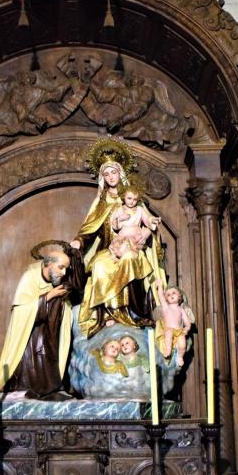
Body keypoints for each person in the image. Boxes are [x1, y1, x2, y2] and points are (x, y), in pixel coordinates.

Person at [72, 138, 161, 337]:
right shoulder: (101, 202)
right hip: (109, 249)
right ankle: (108, 315)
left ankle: (134, 314)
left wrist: (146, 233)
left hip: (132, 247)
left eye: (114, 172)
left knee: (129, 261)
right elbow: (90, 228)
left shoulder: (132, 198)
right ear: (102, 178)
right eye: (106, 174)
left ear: (120, 172)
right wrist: (80, 240)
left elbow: (149, 222)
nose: (111, 177)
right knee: (99, 265)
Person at [0, 245, 83, 401]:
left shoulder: (58, 282)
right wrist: (49, 296)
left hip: (50, 337)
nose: (63, 273)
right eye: (61, 267)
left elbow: (67, 304)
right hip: (29, 338)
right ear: (49, 264)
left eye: (66, 269)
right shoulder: (30, 277)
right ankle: (29, 387)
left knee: (48, 362)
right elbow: (20, 311)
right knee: (33, 364)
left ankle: (49, 388)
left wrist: (61, 301)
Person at [154, 278, 195, 366]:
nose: (171, 295)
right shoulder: (166, 307)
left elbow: (187, 322)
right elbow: (161, 296)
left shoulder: (181, 310)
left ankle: (180, 357)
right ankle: (168, 351)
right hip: (169, 329)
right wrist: (160, 286)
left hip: (179, 331)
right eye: (168, 295)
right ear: (166, 299)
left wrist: (186, 329)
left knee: (183, 344)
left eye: (174, 293)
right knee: (168, 335)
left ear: (179, 296)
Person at [110, 183, 160, 253]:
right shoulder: (120, 210)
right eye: (129, 198)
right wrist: (120, 219)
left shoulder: (139, 210)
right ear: (124, 196)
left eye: (135, 199)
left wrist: (152, 220)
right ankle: (120, 251)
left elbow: (147, 219)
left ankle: (133, 248)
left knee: (145, 233)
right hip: (124, 235)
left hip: (135, 235)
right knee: (121, 246)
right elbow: (115, 226)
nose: (132, 201)